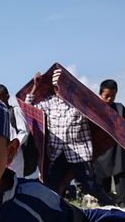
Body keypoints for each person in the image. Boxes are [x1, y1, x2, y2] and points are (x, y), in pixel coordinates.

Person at [26, 69, 114, 205]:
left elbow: (99, 111)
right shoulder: (49, 103)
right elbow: (28, 107)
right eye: (56, 87)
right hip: (57, 153)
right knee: (50, 186)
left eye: (63, 86)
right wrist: (35, 87)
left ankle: (111, 206)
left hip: (78, 153)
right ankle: (54, 213)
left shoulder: (81, 104)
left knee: (90, 186)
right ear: (54, 88)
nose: (60, 90)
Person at [93, 79, 125, 205]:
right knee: (103, 177)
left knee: (120, 176)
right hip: (101, 150)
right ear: (100, 94)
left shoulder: (120, 108)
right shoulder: (95, 109)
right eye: (106, 96)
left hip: (118, 149)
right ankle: (105, 203)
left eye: (112, 96)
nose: (109, 99)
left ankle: (123, 203)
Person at [0, 84, 33, 178]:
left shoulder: (15, 111)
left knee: (16, 180)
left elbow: (24, 131)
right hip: (0, 155)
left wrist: (13, 147)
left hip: (15, 155)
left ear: (7, 97)